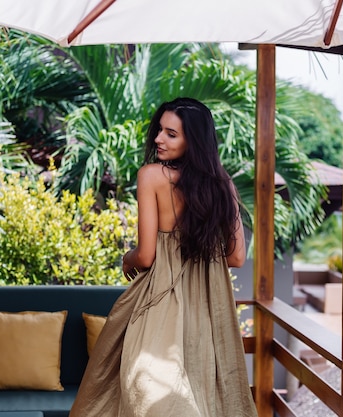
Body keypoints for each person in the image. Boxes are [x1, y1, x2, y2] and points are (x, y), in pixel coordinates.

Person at [69, 97, 257, 417]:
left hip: (161, 302)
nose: (158, 138)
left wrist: (127, 259)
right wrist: (200, 253)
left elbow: (145, 256)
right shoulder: (223, 184)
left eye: (171, 134)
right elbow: (237, 256)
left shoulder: (152, 176)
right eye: (160, 130)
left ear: (193, 141)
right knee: (206, 396)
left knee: (131, 391)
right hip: (209, 309)